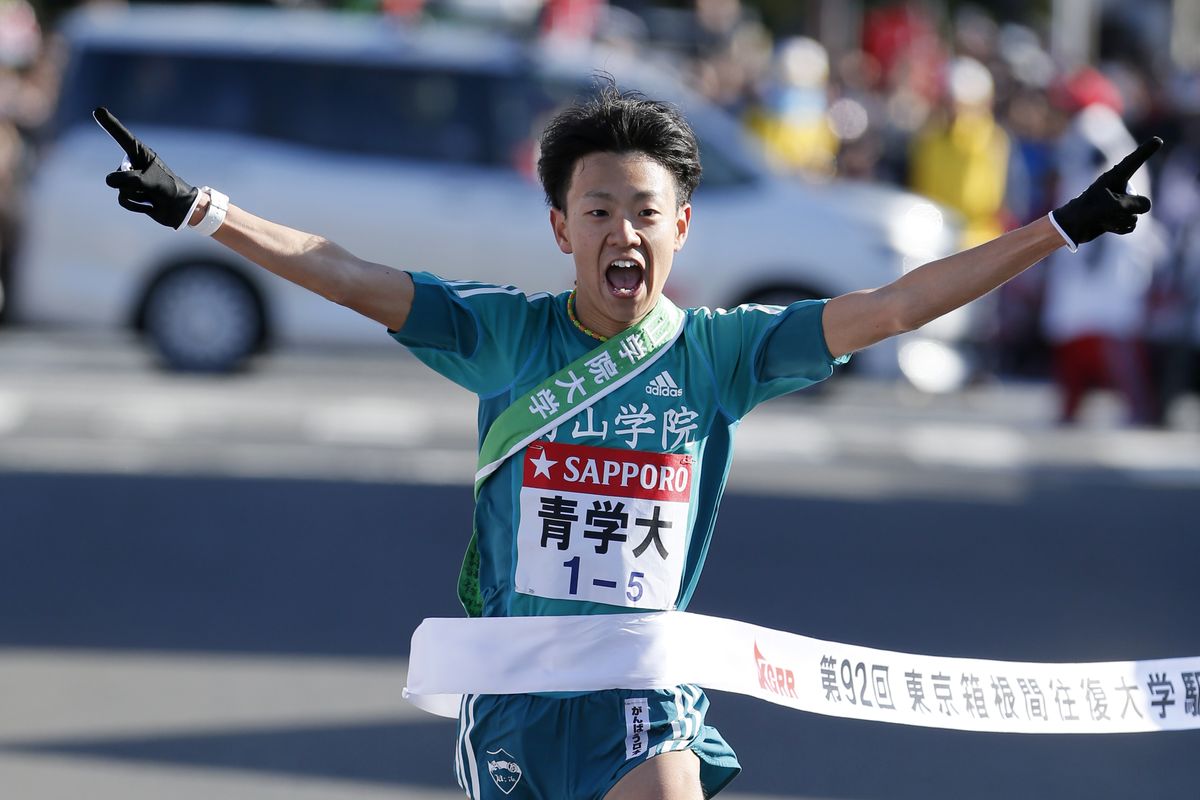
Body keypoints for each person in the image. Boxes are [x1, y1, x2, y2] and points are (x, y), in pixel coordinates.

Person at [94, 81, 1159, 800]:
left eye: (646, 212)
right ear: (563, 227)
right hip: (514, 684)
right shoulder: (502, 333)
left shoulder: (719, 353)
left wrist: (1058, 229)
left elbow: (890, 306)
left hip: (646, 684)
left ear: (681, 226)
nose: (624, 234)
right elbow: (342, 270)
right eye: (598, 210)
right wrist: (202, 210)